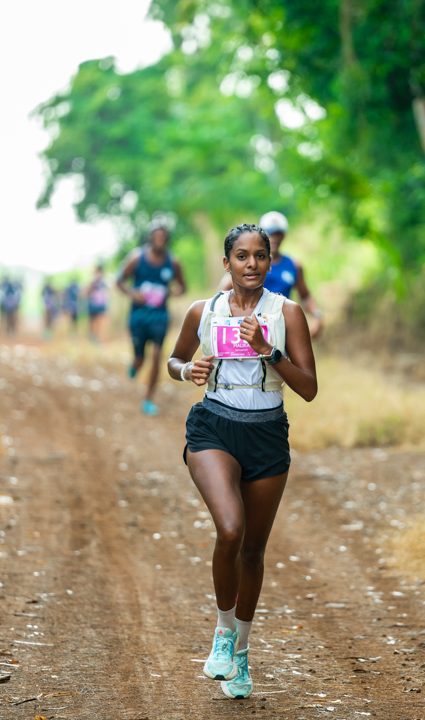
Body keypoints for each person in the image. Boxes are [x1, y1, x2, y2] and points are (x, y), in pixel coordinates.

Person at [167, 223, 317, 700]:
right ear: (226, 263)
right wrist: (187, 370)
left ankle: (243, 654)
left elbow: (309, 388)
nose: (251, 264)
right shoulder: (203, 311)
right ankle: (223, 632)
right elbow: (175, 360)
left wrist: (268, 351)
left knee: (252, 551)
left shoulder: (287, 313)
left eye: (260, 256)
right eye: (241, 256)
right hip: (213, 427)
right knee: (230, 530)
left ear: (271, 262)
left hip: (267, 435)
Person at [117, 224, 187, 416]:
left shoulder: (173, 262)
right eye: (156, 237)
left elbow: (183, 286)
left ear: (167, 240)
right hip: (138, 316)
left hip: (160, 316)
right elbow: (119, 281)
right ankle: (135, 365)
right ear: (150, 238)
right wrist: (133, 293)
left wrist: (177, 291)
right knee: (140, 358)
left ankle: (148, 399)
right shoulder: (136, 258)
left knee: (157, 355)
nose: (159, 241)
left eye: (163, 237)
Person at [217, 211, 323, 339]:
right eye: (270, 234)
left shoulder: (293, 265)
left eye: (278, 234)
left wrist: (317, 316)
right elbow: (223, 293)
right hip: (252, 326)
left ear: (284, 236)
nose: (274, 238)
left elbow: (305, 295)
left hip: (282, 326)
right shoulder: (248, 267)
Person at [85, 264, 109, 344]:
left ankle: (97, 338)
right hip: (92, 305)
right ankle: (92, 337)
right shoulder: (92, 282)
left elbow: (107, 293)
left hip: (101, 306)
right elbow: (86, 293)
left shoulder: (104, 282)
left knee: (100, 322)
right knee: (92, 322)